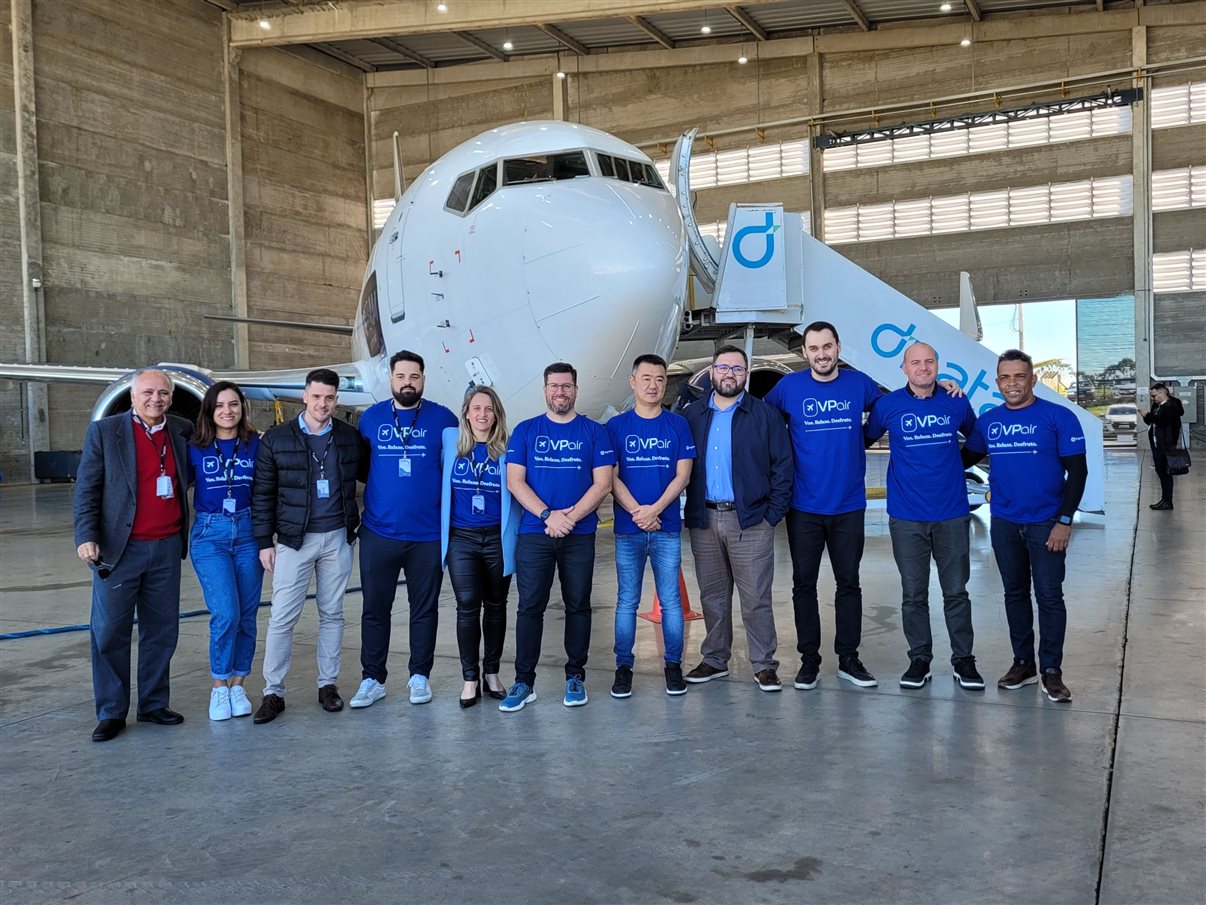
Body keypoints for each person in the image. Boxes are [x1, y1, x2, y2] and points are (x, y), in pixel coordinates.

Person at [764, 321, 885, 690]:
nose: (821, 354)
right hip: (803, 507)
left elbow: (890, 408)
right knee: (804, 585)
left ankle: (849, 658)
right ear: (804, 353)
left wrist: (861, 438)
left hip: (848, 505)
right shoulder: (788, 388)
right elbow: (763, 422)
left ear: (838, 347)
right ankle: (809, 661)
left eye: (827, 347)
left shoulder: (859, 383)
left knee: (849, 583)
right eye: (814, 349)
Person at [74, 369, 193, 742]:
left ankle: (154, 704)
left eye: (162, 393)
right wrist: (86, 536)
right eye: (147, 392)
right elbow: (87, 489)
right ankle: (111, 711)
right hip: (118, 550)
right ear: (132, 394)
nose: (155, 399)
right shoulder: (106, 432)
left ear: (171, 398)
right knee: (110, 631)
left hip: (166, 547)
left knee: (162, 630)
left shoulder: (181, 430)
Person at [963, 349, 1088, 704]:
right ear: (997, 381)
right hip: (1004, 523)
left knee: (1049, 597)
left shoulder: (1057, 417)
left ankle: (1051, 670)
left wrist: (1064, 521)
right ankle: (1023, 664)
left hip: (1047, 523)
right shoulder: (989, 422)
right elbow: (961, 458)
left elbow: (1078, 473)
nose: (1012, 383)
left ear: (1033, 380)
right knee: (1014, 594)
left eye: (1019, 376)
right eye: (1005, 377)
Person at [864, 342, 984, 690]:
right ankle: (919, 659)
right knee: (913, 594)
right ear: (903, 369)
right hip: (907, 517)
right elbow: (863, 441)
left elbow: (976, 439)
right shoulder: (887, 406)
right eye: (915, 362)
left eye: (929, 362)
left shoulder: (956, 400)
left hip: (951, 514)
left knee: (956, 592)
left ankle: (964, 660)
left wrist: (954, 465)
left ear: (938, 366)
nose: (922, 368)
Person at [251, 368, 365, 723]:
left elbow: (371, 476)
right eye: (316, 397)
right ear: (304, 396)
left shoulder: (348, 438)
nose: (323, 404)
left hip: (336, 539)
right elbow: (263, 493)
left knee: (332, 614)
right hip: (293, 541)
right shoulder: (276, 438)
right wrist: (262, 541)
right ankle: (273, 692)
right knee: (283, 617)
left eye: (330, 398)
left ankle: (327, 685)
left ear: (337, 399)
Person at [500, 362, 614, 711]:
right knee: (530, 607)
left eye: (566, 386)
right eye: (554, 386)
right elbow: (514, 481)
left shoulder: (595, 432)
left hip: (579, 535)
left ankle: (575, 676)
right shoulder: (526, 431)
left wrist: (570, 518)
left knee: (578, 604)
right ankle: (524, 682)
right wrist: (549, 515)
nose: (560, 392)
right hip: (536, 533)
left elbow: (603, 483)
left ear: (576, 390)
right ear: (545, 389)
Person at [349, 351, 456, 710]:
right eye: (400, 376)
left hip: (428, 535)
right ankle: (372, 678)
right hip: (379, 533)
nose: (407, 382)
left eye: (414, 376)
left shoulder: (444, 419)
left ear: (423, 380)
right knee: (374, 608)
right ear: (390, 380)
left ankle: (419, 675)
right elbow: (362, 468)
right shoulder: (371, 419)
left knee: (423, 609)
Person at [682, 345, 793, 692]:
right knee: (712, 596)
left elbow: (783, 468)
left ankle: (763, 664)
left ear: (746, 376)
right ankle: (715, 658)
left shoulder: (765, 415)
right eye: (723, 367)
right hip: (704, 518)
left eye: (737, 369)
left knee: (756, 598)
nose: (729, 374)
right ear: (711, 372)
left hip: (751, 521)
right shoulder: (692, 416)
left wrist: (771, 516)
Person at [606, 354, 696, 698]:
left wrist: (654, 510)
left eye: (659, 378)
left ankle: (673, 666)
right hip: (629, 530)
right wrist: (637, 512)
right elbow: (610, 477)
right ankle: (623, 668)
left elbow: (683, 475)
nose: (653, 385)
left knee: (671, 602)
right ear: (633, 382)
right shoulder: (616, 428)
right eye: (646, 378)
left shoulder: (677, 426)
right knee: (626, 601)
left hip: (666, 526)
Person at [186, 381, 263, 721]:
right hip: (210, 534)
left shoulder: (256, 445)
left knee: (247, 615)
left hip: (248, 532)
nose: (227, 411)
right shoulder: (194, 448)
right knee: (226, 613)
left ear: (242, 408)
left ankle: (238, 684)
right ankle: (219, 687)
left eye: (233, 404)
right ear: (209, 411)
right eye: (220, 405)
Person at [439, 386, 519, 708]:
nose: (482, 415)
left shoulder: (508, 447)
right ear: (466, 413)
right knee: (468, 605)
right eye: (476, 408)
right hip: (462, 538)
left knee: (497, 605)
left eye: (489, 409)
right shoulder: (449, 442)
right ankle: (469, 677)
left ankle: (492, 673)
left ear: (496, 414)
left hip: (497, 538)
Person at [1141, 382, 1185, 511]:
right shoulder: (1158, 406)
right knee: (1160, 472)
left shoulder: (1171, 406)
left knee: (1165, 473)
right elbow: (1152, 421)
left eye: (1154, 396)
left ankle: (1168, 501)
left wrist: (1148, 415)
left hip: (1165, 445)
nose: (1152, 399)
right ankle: (1164, 499)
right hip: (1157, 444)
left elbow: (1162, 421)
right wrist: (1146, 416)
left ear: (1161, 393)